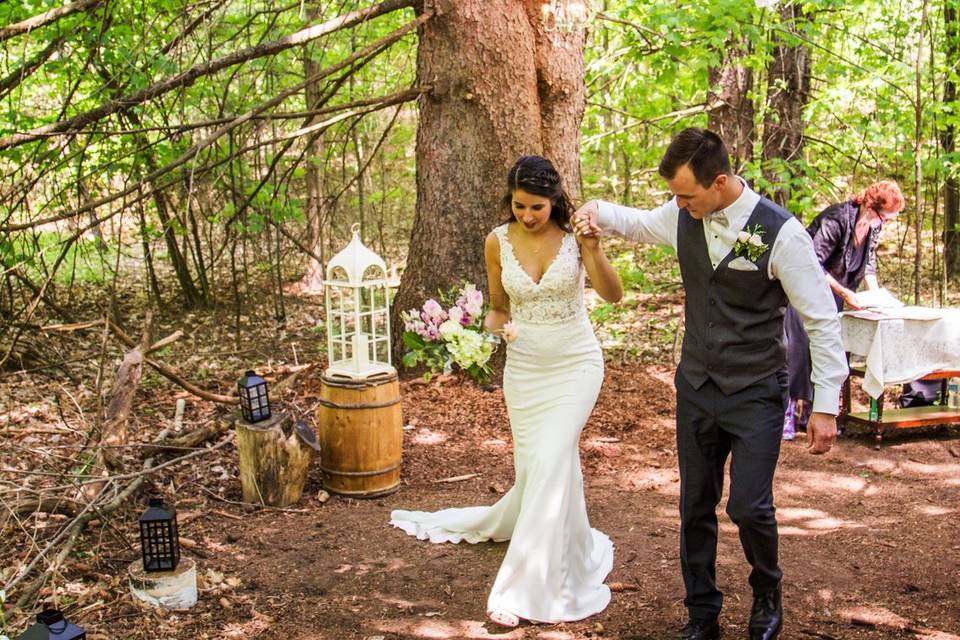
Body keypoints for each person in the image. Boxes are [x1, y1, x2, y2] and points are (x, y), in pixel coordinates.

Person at [572, 128, 848, 640]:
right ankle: (702, 613)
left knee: (749, 505)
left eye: (686, 195)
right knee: (695, 504)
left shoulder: (782, 234)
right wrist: (594, 210)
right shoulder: (682, 215)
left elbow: (822, 320)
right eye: (675, 195)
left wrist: (826, 405)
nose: (678, 205)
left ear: (720, 182)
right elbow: (631, 220)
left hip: (755, 390)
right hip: (697, 386)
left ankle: (768, 595)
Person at [390, 155, 623, 628]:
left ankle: (520, 587)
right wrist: (472, 334)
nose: (527, 215)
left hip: (576, 363)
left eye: (536, 207)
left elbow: (612, 295)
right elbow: (499, 309)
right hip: (525, 370)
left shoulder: (577, 237)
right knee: (539, 466)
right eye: (519, 206)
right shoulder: (497, 242)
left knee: (555, 454)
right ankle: (569, 543)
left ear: (554, 200)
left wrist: (594, 249)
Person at [783, 180, 905, 437]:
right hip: (804, 292)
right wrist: (844, 291)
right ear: (872, 207)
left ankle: (814, 414)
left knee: (829, 353)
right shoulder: (837, 219)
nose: (886, 223)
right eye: (885, 217)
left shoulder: (873, 227)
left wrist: (876, 297)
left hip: (836, 297)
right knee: (798, 353)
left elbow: (868, 264)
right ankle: (787, 416)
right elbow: (812, 263)